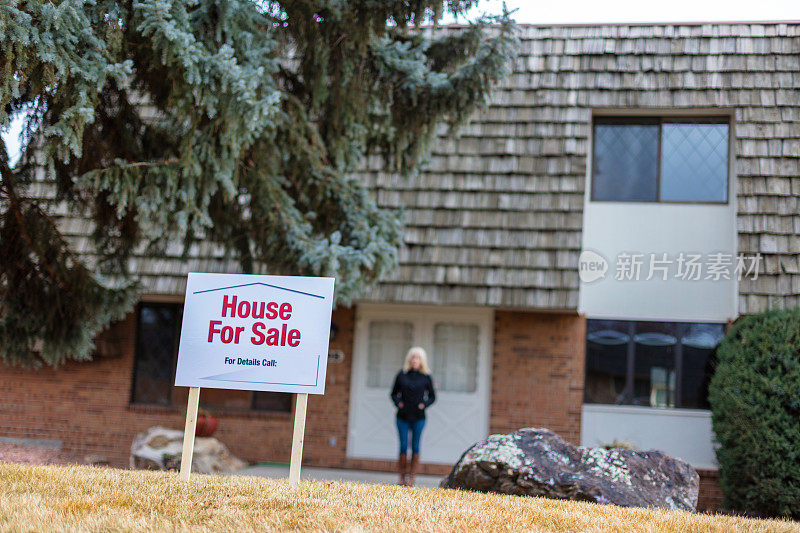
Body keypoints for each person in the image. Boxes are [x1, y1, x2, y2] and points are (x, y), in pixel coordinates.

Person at [390, 346, 436, 486]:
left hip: (419, 417)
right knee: (403, 445)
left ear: (422, 361)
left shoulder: (426, 377)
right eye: (413, 357)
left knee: (415, 446)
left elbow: (432, 397)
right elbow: (393, 393)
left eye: (418, 358)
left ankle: (412, 477)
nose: (415, 360)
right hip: (402, 417)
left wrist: (424, 404)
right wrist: (399, 403)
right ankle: (402, 477)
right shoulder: (402, 375)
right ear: (409, 359)